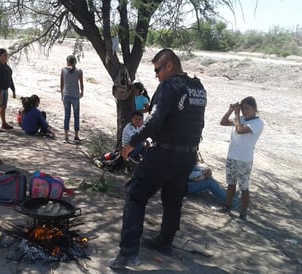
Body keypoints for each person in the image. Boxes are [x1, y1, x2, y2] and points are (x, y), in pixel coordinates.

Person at [110, 48, 207, 269]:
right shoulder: (198, 88)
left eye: (157, 70)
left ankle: (127, 254)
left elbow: (154, 121)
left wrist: (131, 144)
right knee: (173, 199)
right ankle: (165, 241)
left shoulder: (169, 86)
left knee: (135, 194)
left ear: (169, 66)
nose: (157, 76)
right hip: (188, 155)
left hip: (166, 153)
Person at [220, 96, 264, 221]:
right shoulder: (241, 118)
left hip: (244, 159)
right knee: (231, 184)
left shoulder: (258, 123)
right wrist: (230, 111)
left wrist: (237, 115)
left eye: (248, 108)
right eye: (243, 109)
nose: (245, 111)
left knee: (244, 187)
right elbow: (223, 122)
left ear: (254, 109)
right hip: (232, 156)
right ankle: (227, 206)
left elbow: (239, 130)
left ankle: (243, 212)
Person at [59, 55, 84, 144]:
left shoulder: (63, 70)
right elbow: (81, 83)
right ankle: (76, 136)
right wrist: (82, 92)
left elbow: (61, 83)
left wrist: (62, 93)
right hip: (75, 96)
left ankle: (66, 136)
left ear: (67, 61)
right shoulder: (79, 71)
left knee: (67, 115)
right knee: (76, 116)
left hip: (66, 95)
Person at [0, 48, 15, 132]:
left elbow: (10, 78)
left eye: (6, 55)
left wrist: (13, 90)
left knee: (3, 106)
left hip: (6, 89)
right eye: (4, 55)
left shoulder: (6, 66)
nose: (6, 57)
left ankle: (3, 122)